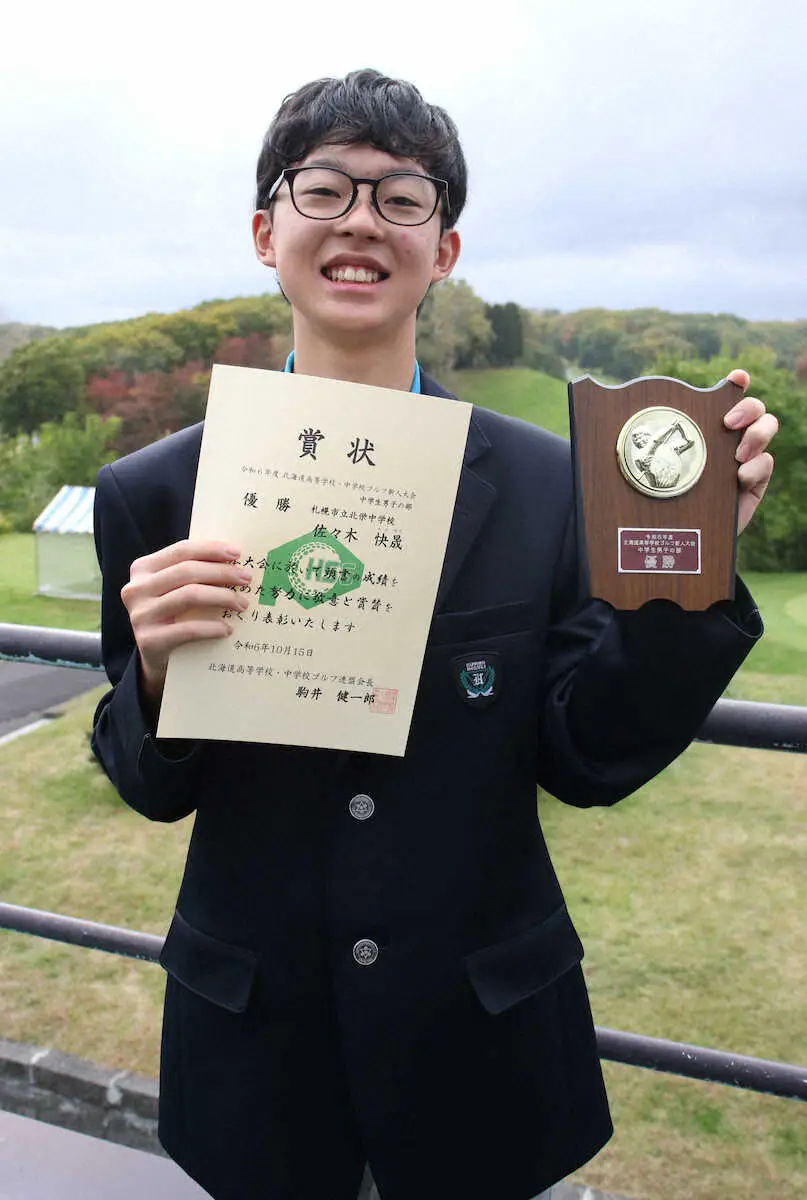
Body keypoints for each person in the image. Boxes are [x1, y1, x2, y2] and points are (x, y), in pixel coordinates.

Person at [91, 69, 778, 1200]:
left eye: (402, 198)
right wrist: (157, 671)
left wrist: (686, 567)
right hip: (259, 1054)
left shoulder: (553, 482)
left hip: (483, 1046)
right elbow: (153, 786)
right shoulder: (156, 491)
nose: (361, 219)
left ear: (444, 250)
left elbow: (588, 756)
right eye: (324, 190)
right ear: (267, 234)